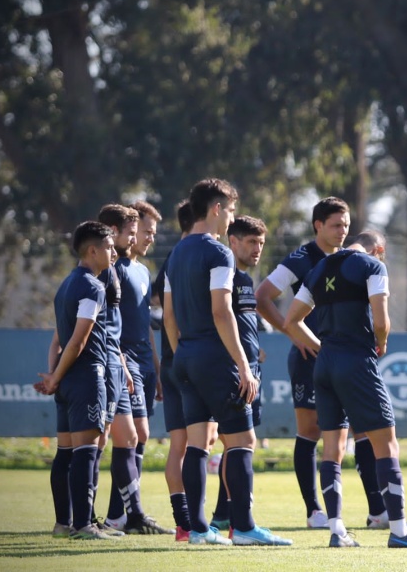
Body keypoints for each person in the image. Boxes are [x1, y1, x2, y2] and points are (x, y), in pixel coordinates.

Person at [284, 230, 407, 549]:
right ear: (378, 249)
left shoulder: (318, 269)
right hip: (356, 360)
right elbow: (381, 322)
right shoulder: (371, 266)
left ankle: (337, 531)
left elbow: (291, 321)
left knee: (332, 450)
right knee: (387, 445)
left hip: (324, 364)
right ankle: (399, 532)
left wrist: (320, 347)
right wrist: (380, 343)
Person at [163, 178, 290, 546]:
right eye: (231, 209)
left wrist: (183, 352)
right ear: (216, 208)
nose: (232, 216)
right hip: (215, 359)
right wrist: (244, 366)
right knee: (243, 440)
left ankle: (199, 530)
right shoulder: (217, 253)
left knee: (198, 444)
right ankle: (245, 527)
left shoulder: (176, 253)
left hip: (184, 357)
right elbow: (222, 311)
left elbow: (169, 316)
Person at [256, 197, 392, 530]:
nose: (342, 231)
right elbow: (262, 297)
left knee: (363, 430)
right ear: (318, 225)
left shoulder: (354, 261)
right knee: (312, 432)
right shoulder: (303, 260)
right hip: (311, 359)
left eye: (346, 225)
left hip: (347, 358)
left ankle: (378, 510)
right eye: (335, 225)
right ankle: (314, 511)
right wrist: (296, 338)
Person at [37, 221, 117, 540]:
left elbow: (59, 338)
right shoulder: (93, 287)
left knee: (65, 452)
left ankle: (62, 524)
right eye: (109, 247)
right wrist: (56, 375)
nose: (113, 253)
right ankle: (83, 525)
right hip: (85, 377)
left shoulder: (66, 284)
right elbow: (77, 341)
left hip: (67, 381)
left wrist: (55, 375)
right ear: (92, 250)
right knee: (87, 450)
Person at [104, 200, 172, 534]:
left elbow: (145, 324)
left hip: (144, 363)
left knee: (138, 437)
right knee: (131, 435)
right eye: (144, 231)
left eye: (151, 234)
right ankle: (126, 514)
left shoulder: (143, 272)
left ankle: (121, 514)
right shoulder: (110, 268)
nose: (147, 239)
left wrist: (156, 368)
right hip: (121, 361)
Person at [90, 204, 147, 538]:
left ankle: (130, 515)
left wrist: (123, 364)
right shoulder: (98, 274)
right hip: (102, 364)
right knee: (93, 443)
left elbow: (114, 325)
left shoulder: (116, 270)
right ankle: (79, 518)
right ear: (110, 231)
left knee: (128, 437)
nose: (137, 238)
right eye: (129, 233)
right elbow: (90, 325)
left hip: (118, 362)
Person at [209, 215, 268, 533]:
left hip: (251, 370)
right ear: (233, 241)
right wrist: (241, 361)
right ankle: (228, 516)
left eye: (261, 243)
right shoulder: (224, 275)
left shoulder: (244, 279)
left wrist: (254, 350)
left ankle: (223, 514)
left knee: (240, 444)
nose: (257, 249)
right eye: (251, 242)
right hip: (234, 371)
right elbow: (219, 318)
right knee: (238, 443)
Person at [154, 199, 197, 541]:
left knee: (181, 445)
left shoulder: (171, 259)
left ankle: (185, 523)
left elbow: (160, 305)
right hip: (188, 359)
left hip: (171, 361)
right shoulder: (193, 256)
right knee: (199, 443)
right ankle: (196, 522)